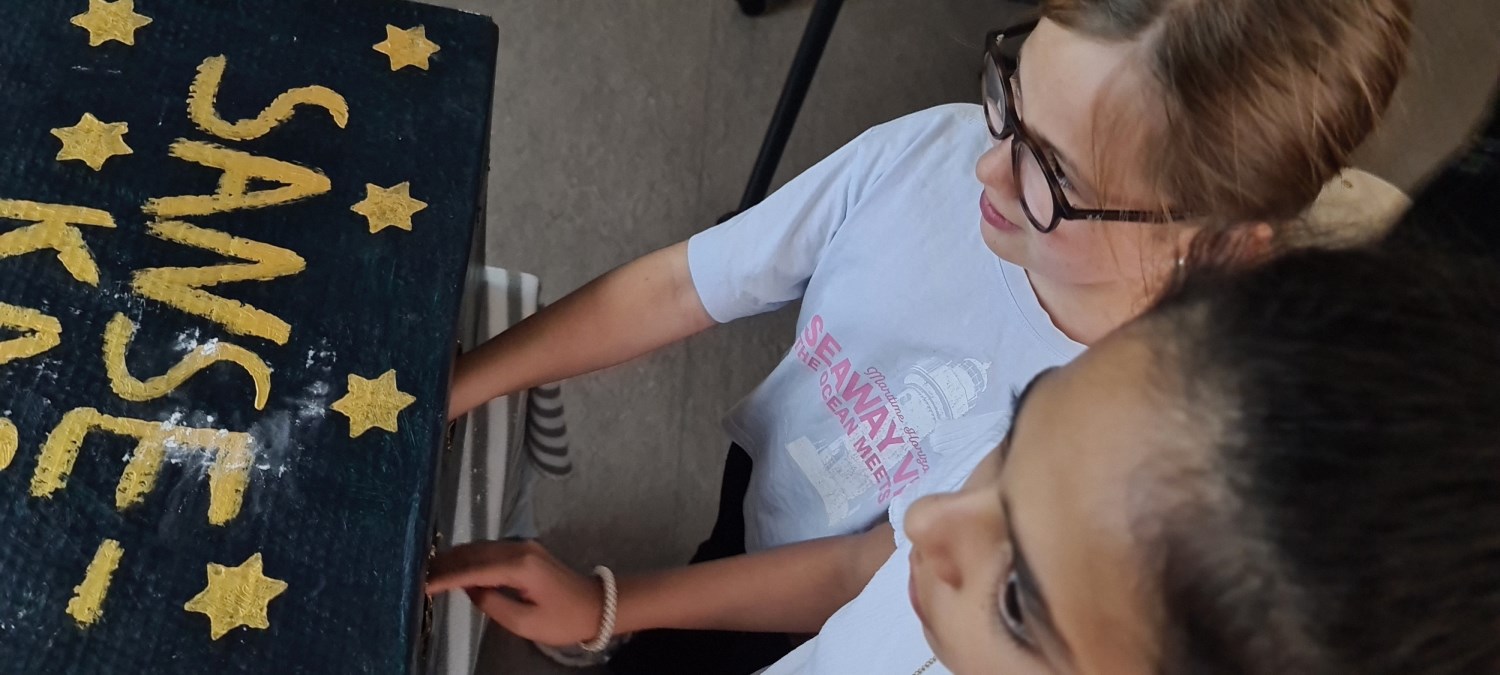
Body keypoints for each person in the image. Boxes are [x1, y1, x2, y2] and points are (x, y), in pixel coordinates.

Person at [445, 0, 1413, 670]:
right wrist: (458, 387)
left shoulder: (1128, 451)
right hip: (779, 495)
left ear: (1221, 242)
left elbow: (874, 573)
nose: (987, 168)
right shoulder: (941, 152)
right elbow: (682, 284)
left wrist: (614, 603)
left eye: (1053, 175)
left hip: (852, 623)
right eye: (1012, 91)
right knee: (720, 561)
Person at [430, 243, 1500, 674]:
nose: (928, 519)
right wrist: (612, 606)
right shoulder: (967, 543)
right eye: (1023, 429)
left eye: (1022, 599)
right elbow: (866, 570)